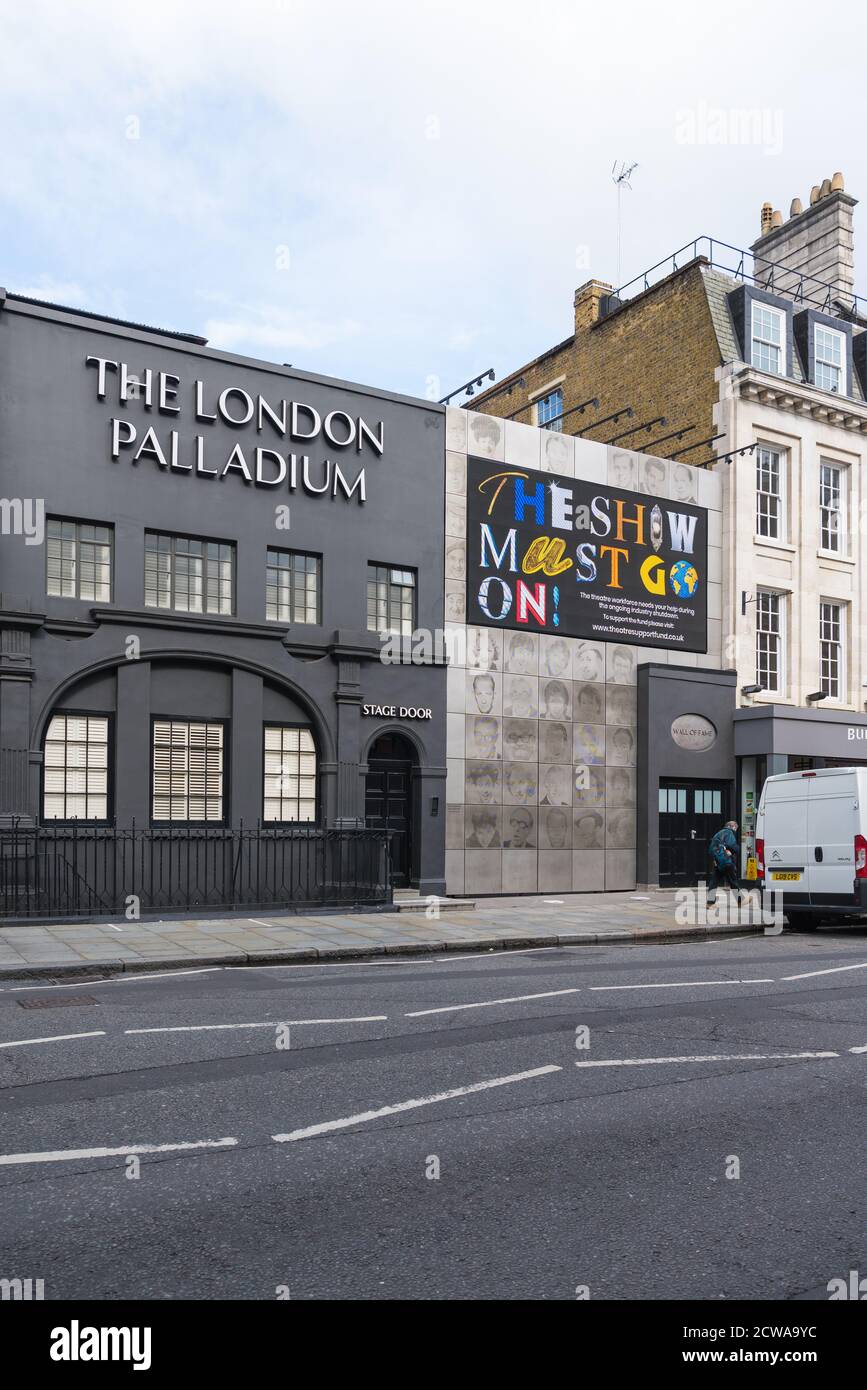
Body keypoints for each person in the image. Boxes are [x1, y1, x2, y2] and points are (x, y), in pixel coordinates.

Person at [708, 820, 740, 901]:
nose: (735, 830)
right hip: (726, 861)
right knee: (733, 881)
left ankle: (710, 902)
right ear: (732, 826)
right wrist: (737, 849)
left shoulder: (718, 834)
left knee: (714, 882)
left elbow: (710, 849)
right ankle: (740, 900)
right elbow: (732, 845)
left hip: (718, 861)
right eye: (735, 828)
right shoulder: (729, 832)